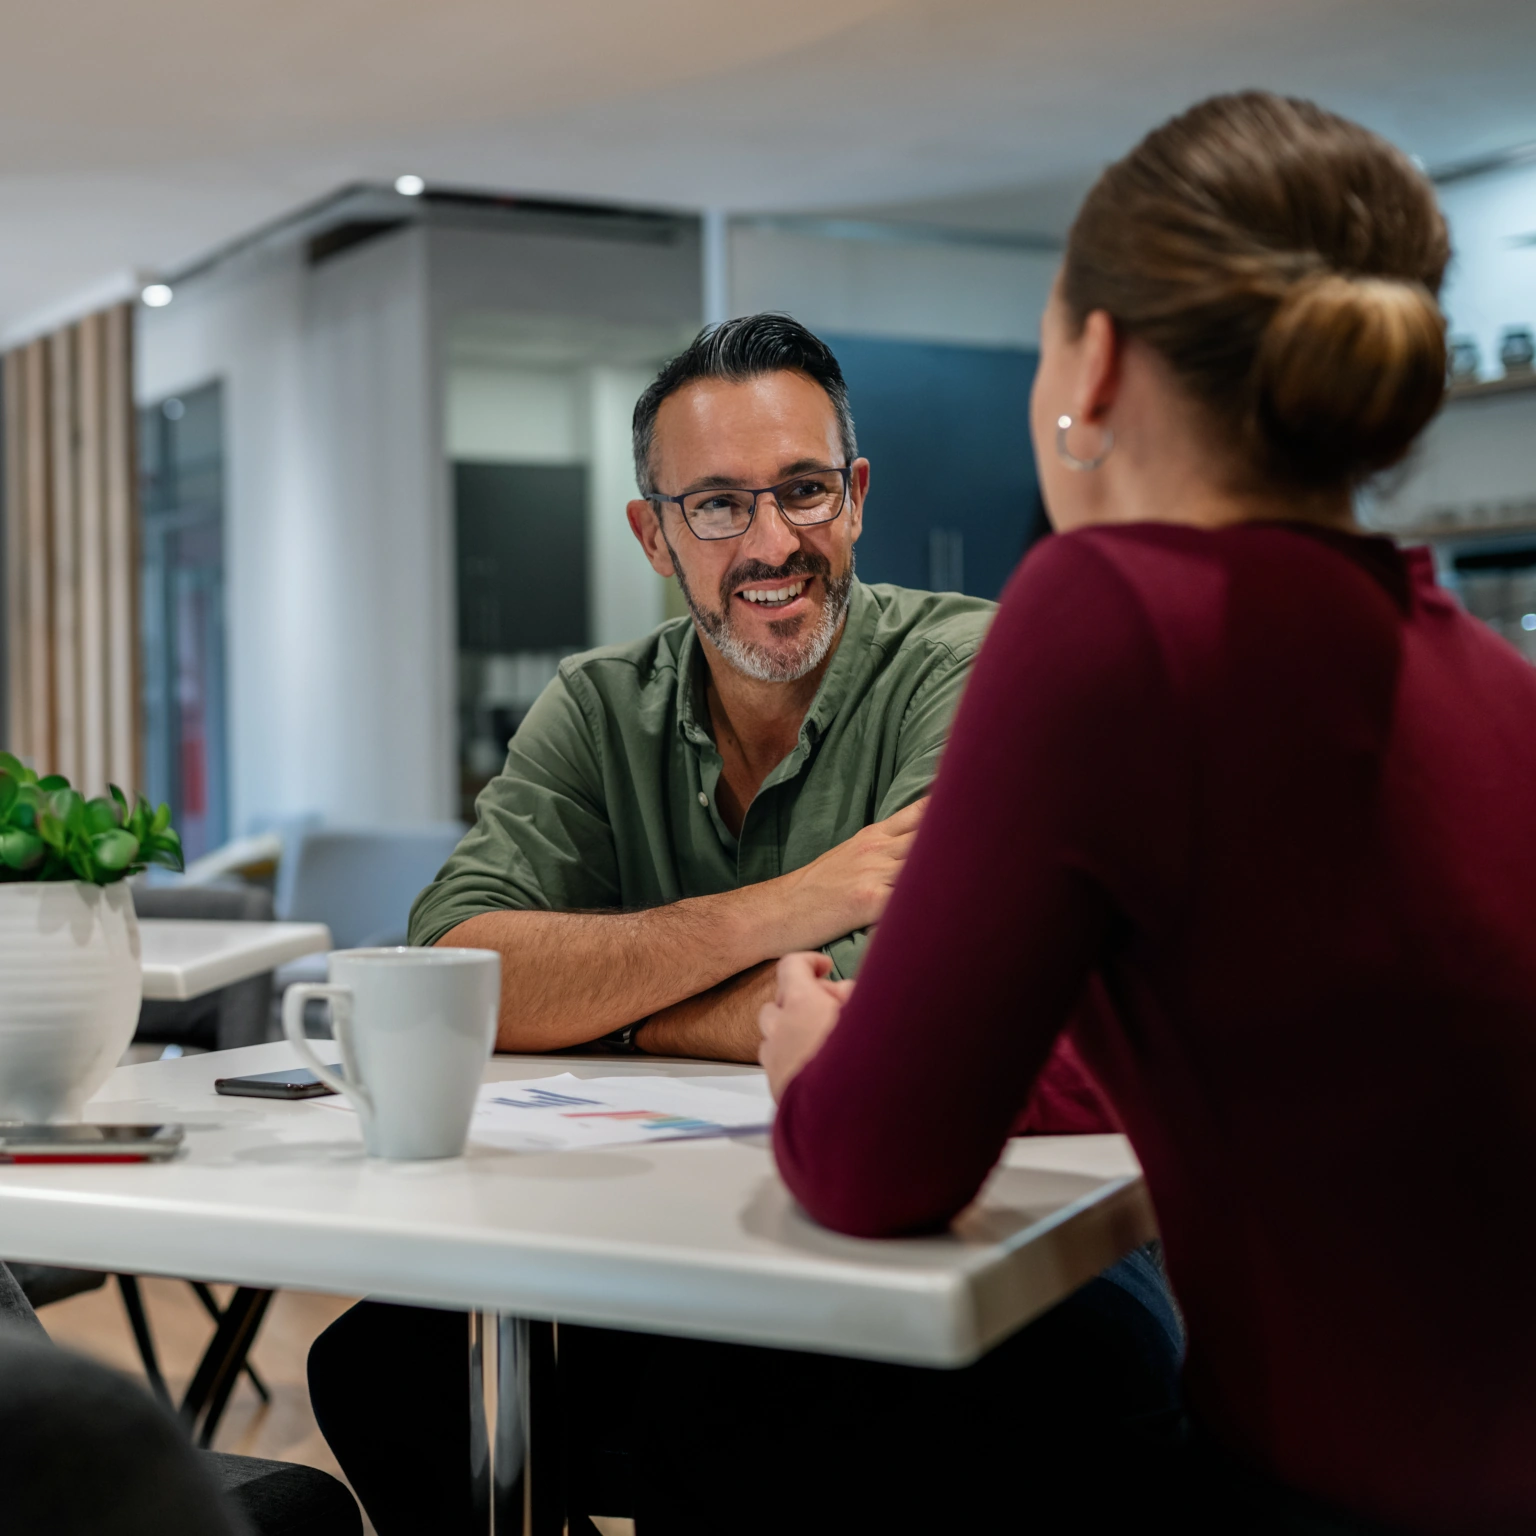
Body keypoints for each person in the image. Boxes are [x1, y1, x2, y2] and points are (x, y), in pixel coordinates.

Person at [759, 92, 1536, 1533]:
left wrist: (815, 1061)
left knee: (782, 1440)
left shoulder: (1108, 608)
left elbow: (870, 1170)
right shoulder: (1491, 678)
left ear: (1094, 364)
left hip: (1342, 1500)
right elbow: (1282, 1047)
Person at [308, 315, 1180, 1533]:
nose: (774, 543)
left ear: (858, 497)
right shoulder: (599, 705)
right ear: (653, 533)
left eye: (804, 491)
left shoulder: (969, 669)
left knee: (755, 1403)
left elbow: (909, 1011)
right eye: (717, 505)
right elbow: (458, 961)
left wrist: (611, 1008)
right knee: (392, 1370)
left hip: (1004, 1236)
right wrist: (798, 906)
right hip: (686, 1227)